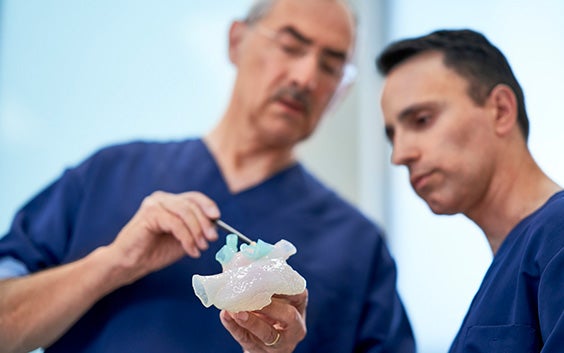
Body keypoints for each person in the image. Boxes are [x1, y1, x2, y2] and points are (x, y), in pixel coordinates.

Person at [0, 1, 415, 352]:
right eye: (290, 45)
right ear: (236, 41)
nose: (305, 77)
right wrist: (112, 263)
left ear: (340, 91)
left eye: (331, 65)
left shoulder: (358, 247)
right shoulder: (107, 176)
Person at [376, 28, 564, 352]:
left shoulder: (557, 234)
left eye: (421, 120)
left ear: (501, 110)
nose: (400, 155)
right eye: (393, 136)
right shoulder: (511, 269)